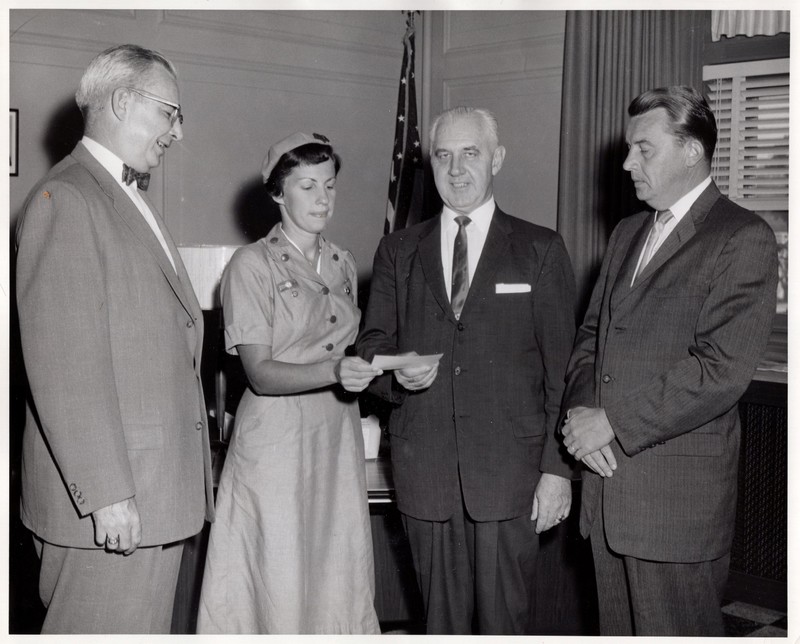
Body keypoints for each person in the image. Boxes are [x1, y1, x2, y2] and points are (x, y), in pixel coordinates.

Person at [560, 86, 778, 636]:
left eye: (644, 149)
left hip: (674, 507)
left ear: (691, 151)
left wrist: (612, 422)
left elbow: (719, 370)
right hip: (606, 493)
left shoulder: (743, 237)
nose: (628, 162)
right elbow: (591, 339)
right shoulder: (627, 233)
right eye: (629, 149)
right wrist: (585, 417)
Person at [14, 44, 214, 633]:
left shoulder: (123, 197)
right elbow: (65, 364)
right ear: (123, 102)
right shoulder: (68, 199)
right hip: (111, 507)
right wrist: (105, 494)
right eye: (169, 113)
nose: (177, 132)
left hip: (153, 495)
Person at [356, 106, 577, 635]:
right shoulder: (397, 250)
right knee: (440, 624)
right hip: (425, 471)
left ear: (496, 159)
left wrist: (557, 472)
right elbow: (371, 348)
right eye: (443, 155)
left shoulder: (539, 249)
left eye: (470, 153)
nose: (456, 169)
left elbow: (564, 373)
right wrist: (397, 372)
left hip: (509, 478)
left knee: (504, 624)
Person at [196, 132, 382, 634]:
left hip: (334, 439)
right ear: (278, 194)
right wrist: (335, 371)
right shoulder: (249, 266)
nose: (323, 198)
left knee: (335, 573)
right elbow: (259, 373)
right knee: (275, 579)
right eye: (307, 186)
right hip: (275, 444)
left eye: (330, 185)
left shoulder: (343, 264)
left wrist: (387, 367)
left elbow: (349, 348)